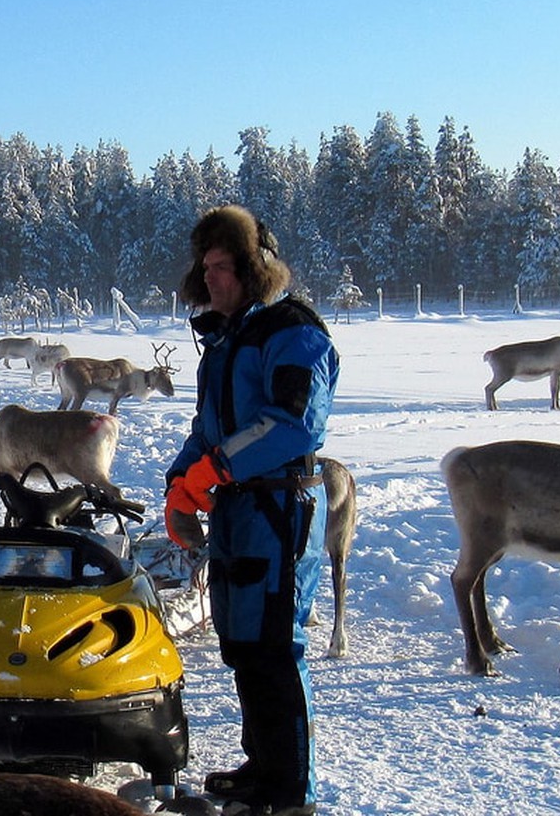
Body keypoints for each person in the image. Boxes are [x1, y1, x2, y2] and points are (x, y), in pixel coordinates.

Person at [163, 205, 339, 816]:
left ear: (254, 267)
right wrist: (179, 483)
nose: (210, 278)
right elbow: (207, 429)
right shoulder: (224, 341)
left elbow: (293, 423)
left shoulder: (293, 332)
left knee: (274, 648)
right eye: (204, 267)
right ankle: (262, 767)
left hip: (280, 511)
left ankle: (292, 792)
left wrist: (216, 470)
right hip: (237, 513)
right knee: (240, 644)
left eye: (222, 266)